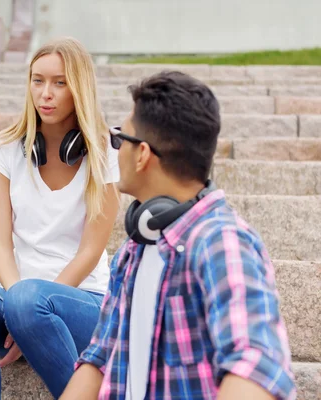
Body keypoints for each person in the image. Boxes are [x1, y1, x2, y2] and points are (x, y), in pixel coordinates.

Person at [60, 71, 296, 399]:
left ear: (142, 154)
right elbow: (99, 357)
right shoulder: (135, 248)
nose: (115, 152)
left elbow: (257, 367)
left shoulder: (221, 243)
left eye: (120, 140)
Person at [0, 37, 120, 399]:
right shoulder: (3, 151)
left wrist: (29, 311)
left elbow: (90, 252)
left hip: (83, 303)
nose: (46, 93)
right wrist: (18, 314)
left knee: (27, 300)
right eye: (37, 80)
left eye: (60, 82)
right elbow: (0, 245)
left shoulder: (105, 151)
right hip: (19, 300)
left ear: (79, 87)